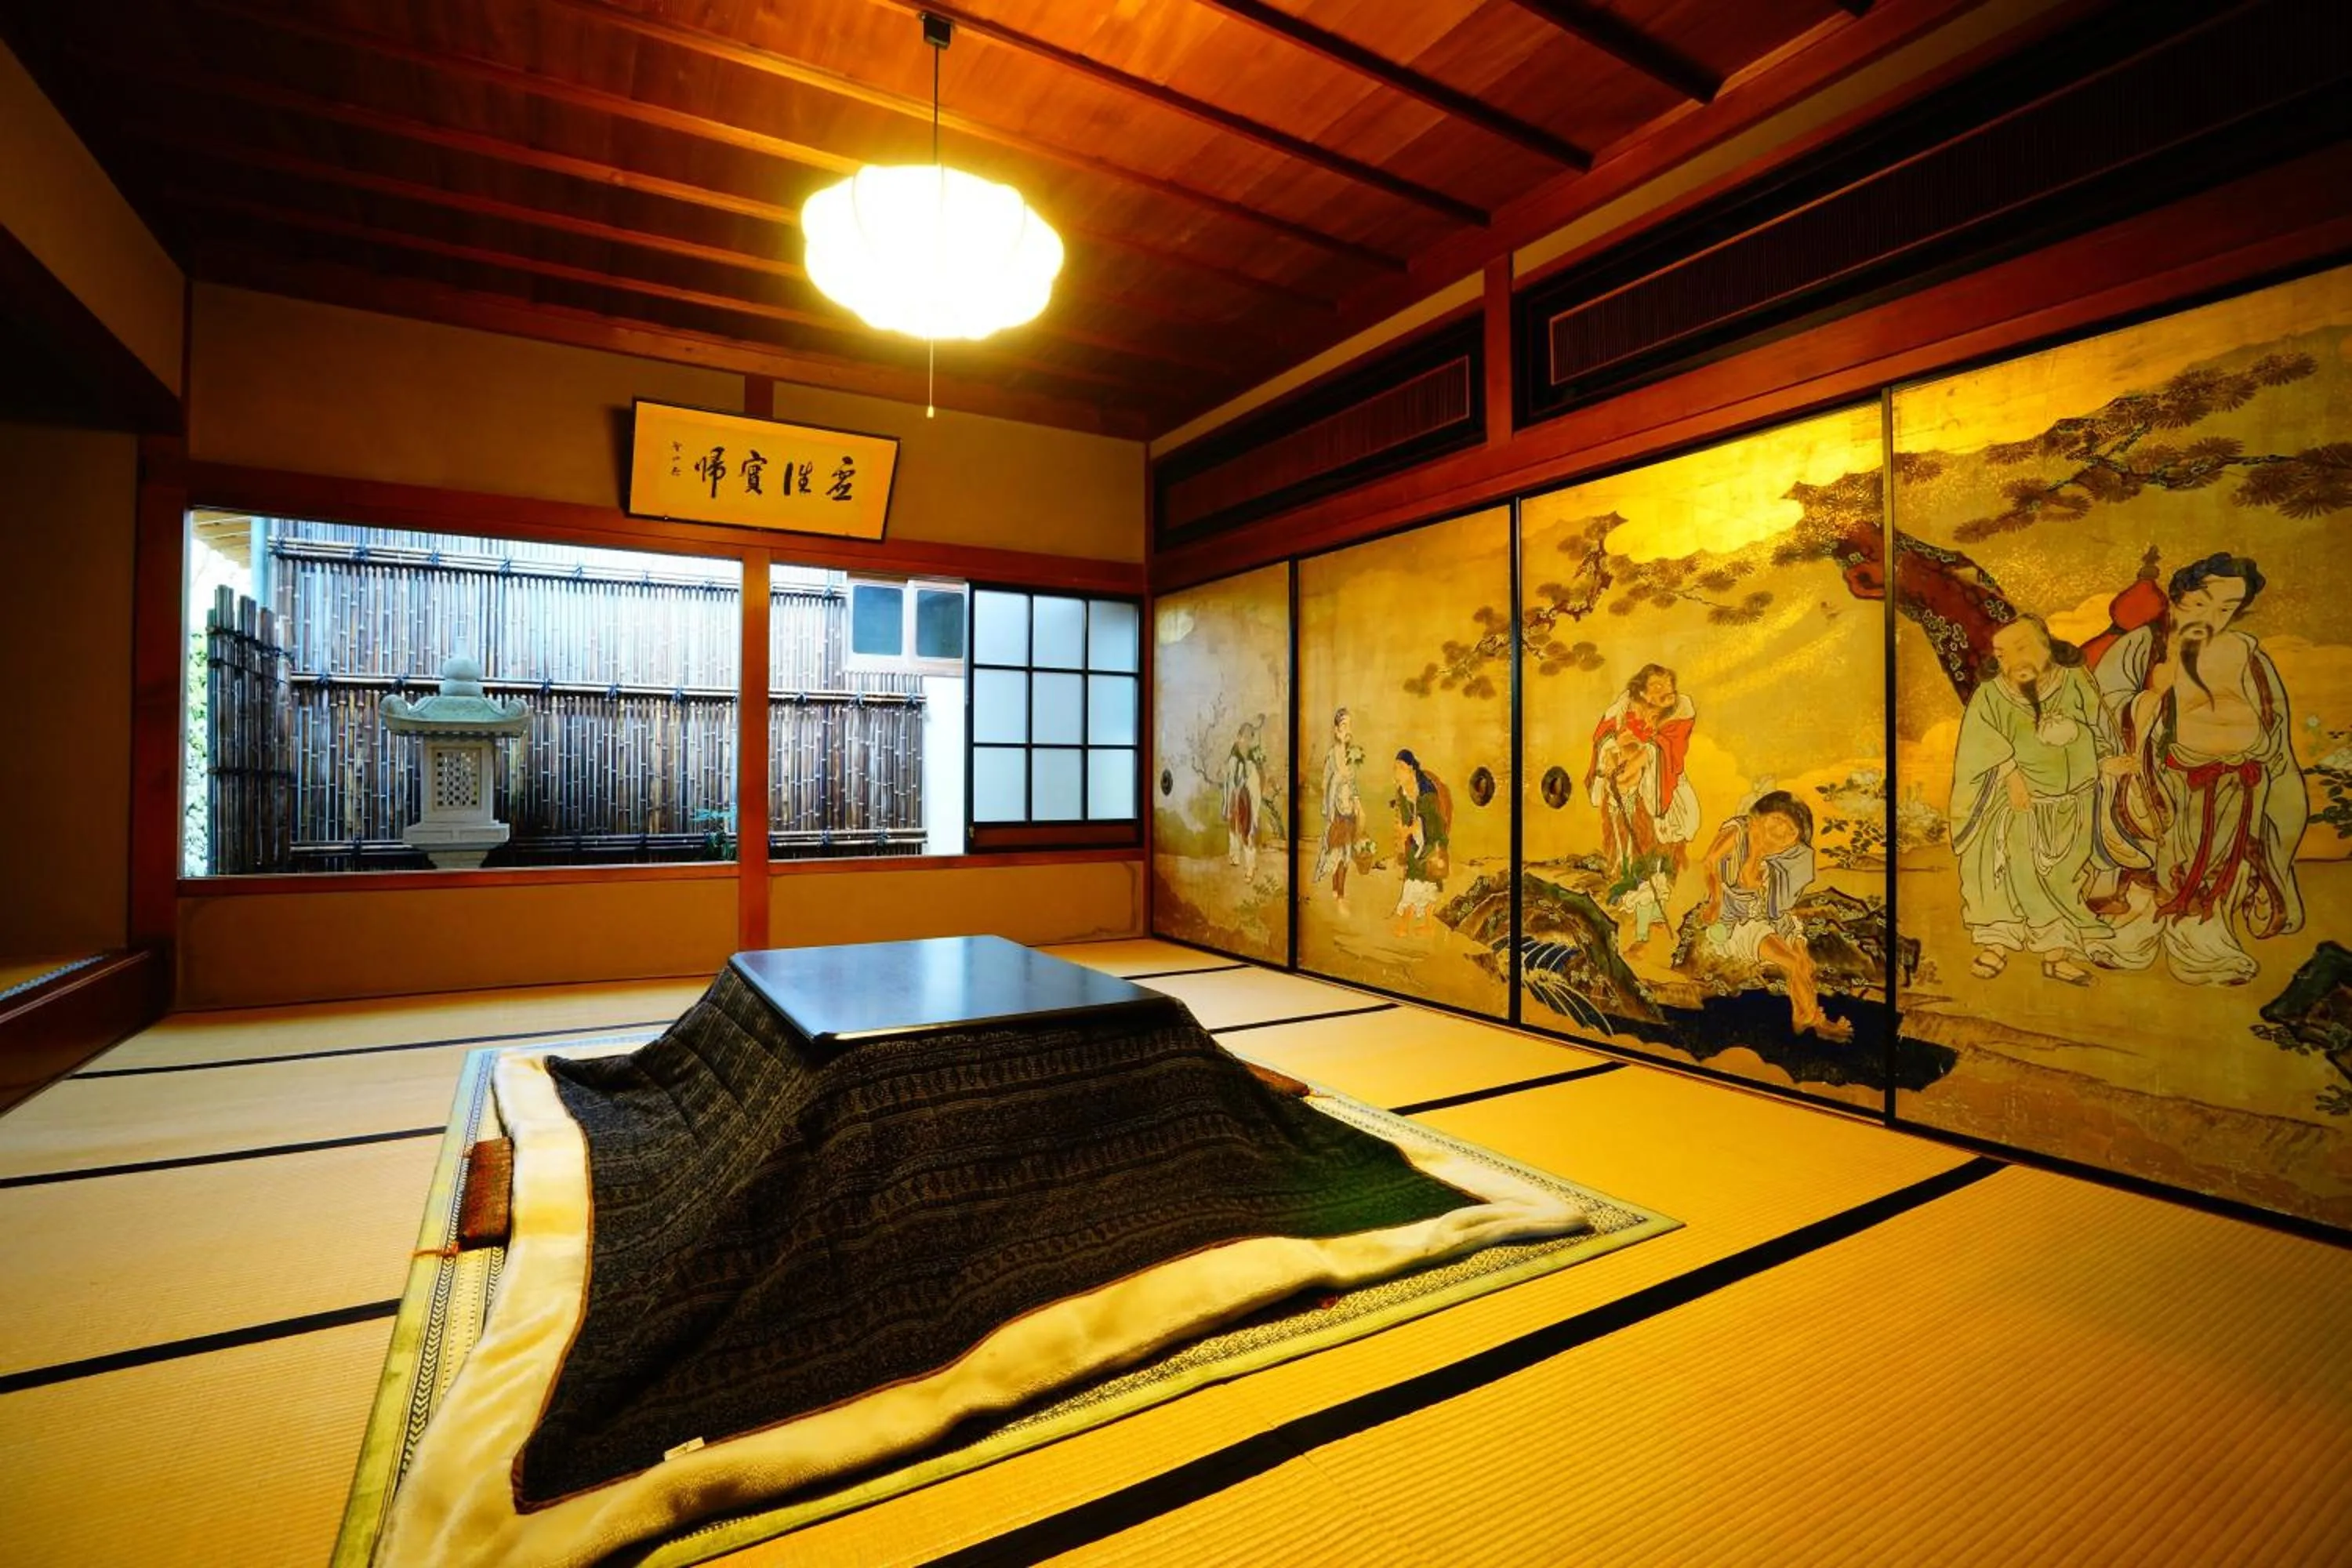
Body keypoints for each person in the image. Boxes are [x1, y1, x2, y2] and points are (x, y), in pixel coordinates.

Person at [2089, 553, 2306, 985]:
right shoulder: (2141, 644)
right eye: (2202, 603)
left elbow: (2272, 723)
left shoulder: (2246, 654)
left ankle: (2203, 942)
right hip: (2148, 778)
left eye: (2228, 608)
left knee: (2216, 857)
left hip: (2227, 782)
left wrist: (2249, 745)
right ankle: (2132, 934)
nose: (2213, 616)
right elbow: (2103, 707)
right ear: (2177, 596)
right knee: (2147, 857)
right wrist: (2151, 700)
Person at [1948, 616, 2112, 986]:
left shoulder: (2075, 680)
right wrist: (2011, 774)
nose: (2012, 662)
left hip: (2072, 802)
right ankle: (1996, 945)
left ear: (2046, 644)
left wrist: (2104, 760)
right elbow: (1978, 740)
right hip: (2015, 805)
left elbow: (2099, 725)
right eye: (2003, 655)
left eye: (2022, 648)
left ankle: (2056, 956)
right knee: (2006, 873)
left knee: (2062, 879)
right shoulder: (1992, 693)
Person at [1686, 790, 1849, 1040]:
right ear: (1759, 816)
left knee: (1804, 962)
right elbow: (1710, 862)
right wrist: (1716, 900)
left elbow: (1775, 907)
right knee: (1793, 963)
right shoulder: (1739, 832)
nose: (1782, 830)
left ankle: (1803, 1017)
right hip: (1734, 924)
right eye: (1778, 820)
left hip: (1765, 919)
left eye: (1791, 830)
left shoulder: (1775, 861)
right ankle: (1814, 1021)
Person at [1586, 662, 1700, 946]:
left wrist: (1637, 758)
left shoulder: (1680, 711)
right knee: (1626, 846)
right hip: (1626, 787)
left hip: (1659, 786)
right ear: (1641, 689)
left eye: (1668, 685)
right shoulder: (1622, 709)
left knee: (1659, 850)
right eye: (1657, 686)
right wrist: (1613, 757)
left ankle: (1653, 913)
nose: (1666, 692)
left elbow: (1666, 749)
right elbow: (1604, 739)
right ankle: (1632, 902)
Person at [1390, 750, 1450, 938]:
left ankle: (1414, 924)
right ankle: (1412, 924)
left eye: (1401, 767)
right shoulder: (1402, 791)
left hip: (1431, 839)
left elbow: (1430, 820)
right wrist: (1402, 831)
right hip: (1416, 841)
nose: (1397, 772)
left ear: (1411, 769)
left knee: (1426, 882)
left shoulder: (1426, 791)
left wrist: (1409, 830)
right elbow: (1406, 818)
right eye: (1396, 768)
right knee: (1414, 879)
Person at [1311, 707, 1365, 909]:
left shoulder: (1352, 755)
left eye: (1349, 726)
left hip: (1349, 808)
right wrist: (1330, 807)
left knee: (1347, 852)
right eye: (1343, 725)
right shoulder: (1332, 755)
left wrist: (1357, 803)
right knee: (1337, 851)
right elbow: (1326, 782)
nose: (1347, 730)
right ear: (1336, 730)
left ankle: (1339, 891)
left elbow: (1353, 783)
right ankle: (1338, 892)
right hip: (1337, 810)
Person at [1222, 718, 1265, 880]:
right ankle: (1234, 855)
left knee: (1247, 832)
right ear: (1238, 737)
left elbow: (1255, 785)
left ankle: (1250, 867)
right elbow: (1229, 783)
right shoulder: (1233, 759)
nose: (1245, 741)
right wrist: (1228, 803)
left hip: (1246, 799)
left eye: (1249, 738)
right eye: (1243, 737)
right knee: (1233, 827)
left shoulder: (1252, 762)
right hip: (1236, 797)